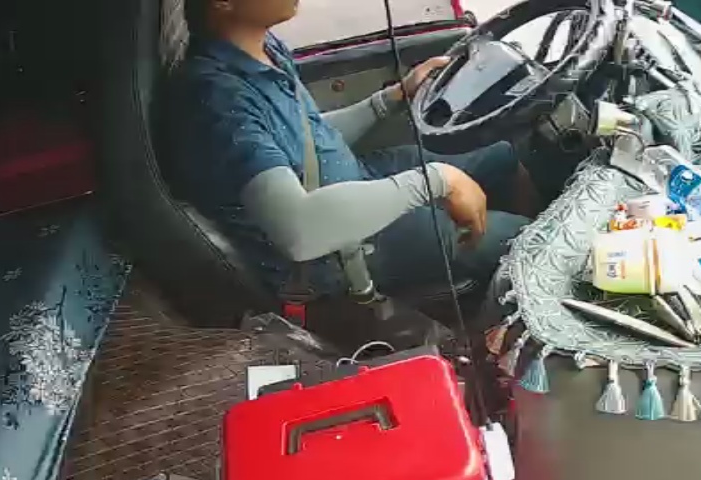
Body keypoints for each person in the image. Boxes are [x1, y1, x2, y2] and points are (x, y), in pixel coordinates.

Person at [164, 0, 540, 298]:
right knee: (529, 244)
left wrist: (390, 98)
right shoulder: (218, 100)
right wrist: (437, 181)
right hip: (342, 248)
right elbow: (300, 231)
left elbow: (304, 137)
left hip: (358, 177)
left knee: (502, 152)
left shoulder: (264, 49)